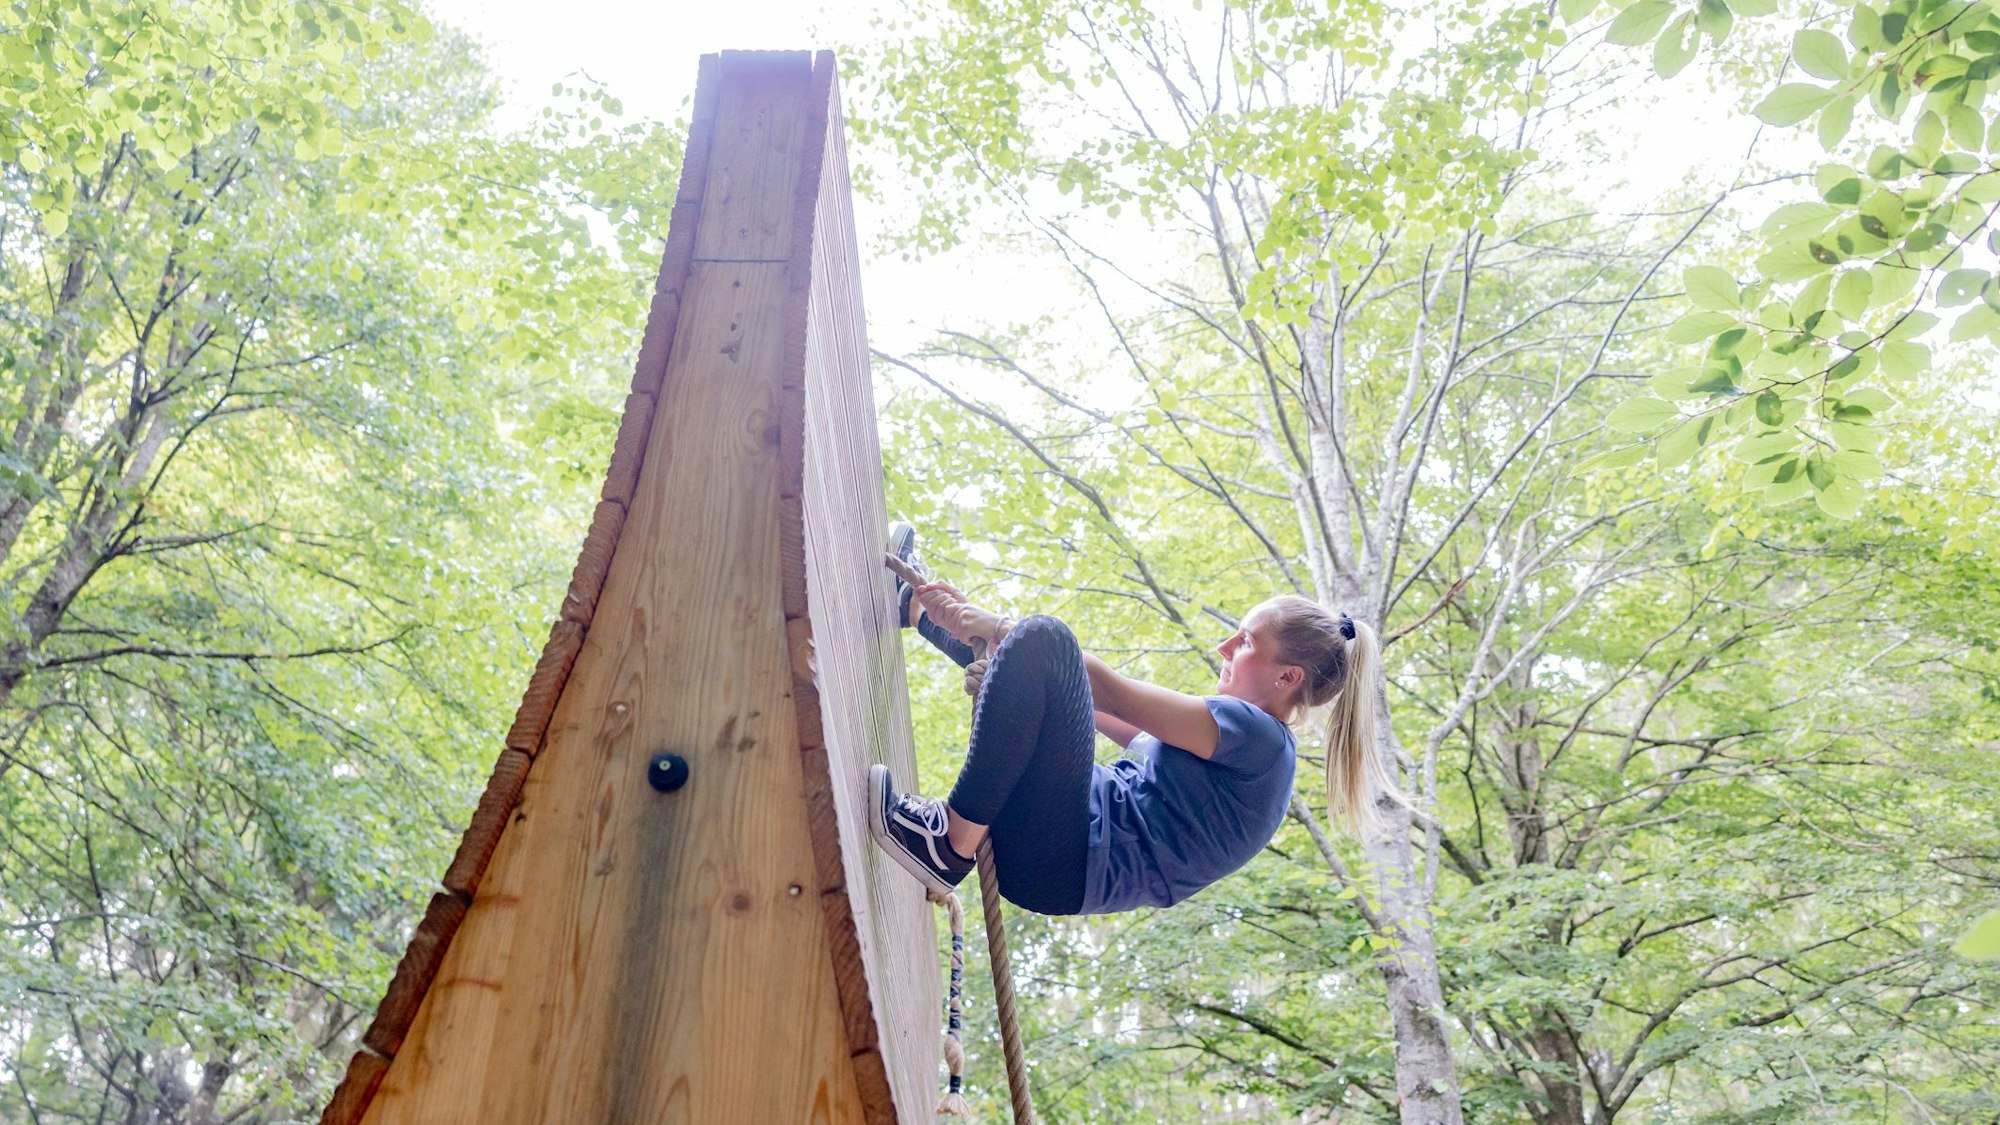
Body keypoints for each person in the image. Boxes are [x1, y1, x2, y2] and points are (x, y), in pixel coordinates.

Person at [868, 525, 1394, 916]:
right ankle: (913, 609)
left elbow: (1108, 691)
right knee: (1042, 653)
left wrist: (1005, 627)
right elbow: (1073, 702)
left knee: (1049, 640)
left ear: (1288, 679)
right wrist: (966, 627)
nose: (1224, 647)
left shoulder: (1260, 742)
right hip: (1053, 851)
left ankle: (946, 845)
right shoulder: (1237, 752)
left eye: (1246, 641)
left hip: (1063, 859)